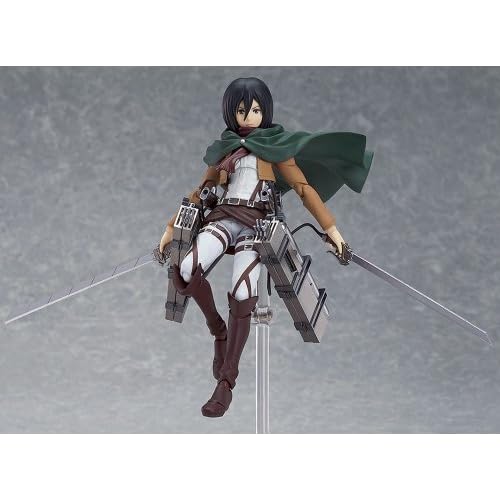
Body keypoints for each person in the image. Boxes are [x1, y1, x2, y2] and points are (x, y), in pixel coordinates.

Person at [159, 77, 373, 417]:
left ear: (265, 111)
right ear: (231, 112)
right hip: (223, 217)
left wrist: (332, 230)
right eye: (242, 110)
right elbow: (200, 191)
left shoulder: (275, 147)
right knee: (185, 269)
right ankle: (218, 329)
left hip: (256, 225)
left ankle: (226, 382)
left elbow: (304, 189)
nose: (249, 116)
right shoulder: (225, 148)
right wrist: (170, 228)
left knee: (242, 292)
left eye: (256, 110)